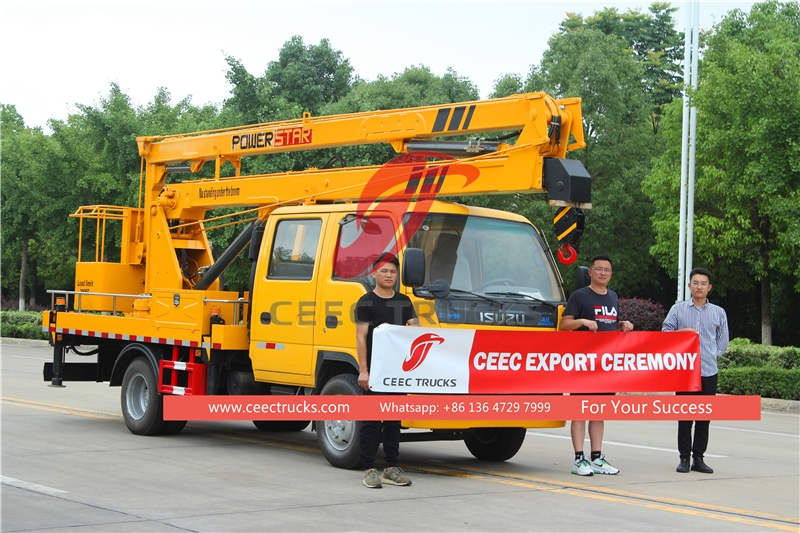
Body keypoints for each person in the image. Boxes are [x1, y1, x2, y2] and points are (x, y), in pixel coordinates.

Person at [560, 254, 633, 476]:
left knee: (598, 411)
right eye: (598, 269)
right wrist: (582, 322)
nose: (603, 273)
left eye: (607, 270)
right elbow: (564, 325)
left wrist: (622, 324)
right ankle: (578, 459)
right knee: (580, 410)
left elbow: (609, 325)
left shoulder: (612, 297)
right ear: (590, 272)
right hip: (583, 363)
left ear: (611, 274)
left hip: (605, 365)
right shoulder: (579, 296)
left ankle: (597, 458)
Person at [355, 254, 419, 488]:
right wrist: (364, 370)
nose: (389, 275)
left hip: (397, 373)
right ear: (374, 274)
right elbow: (361, 338)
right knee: (371, 421)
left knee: (393, 421)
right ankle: (369, 469)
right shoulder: (366, 302)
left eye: (393, 271)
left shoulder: (404, 301)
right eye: (384, 271)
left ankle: (391, 468)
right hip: (374, 372)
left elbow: (416, 331)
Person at [662, 267, 729, 474]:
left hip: (708, 371)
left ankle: (698, 458)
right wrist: (682, 333)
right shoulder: (678, 310)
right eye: (695, 283)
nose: (699, 287)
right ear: (689, 285)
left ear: (709, 287)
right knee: (685, 416)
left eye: (703, 284)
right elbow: (665, 333)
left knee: (703, 417)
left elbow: (722, 342)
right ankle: (683, 458)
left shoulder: (718, 312)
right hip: (684, 373)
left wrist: (709, 354)